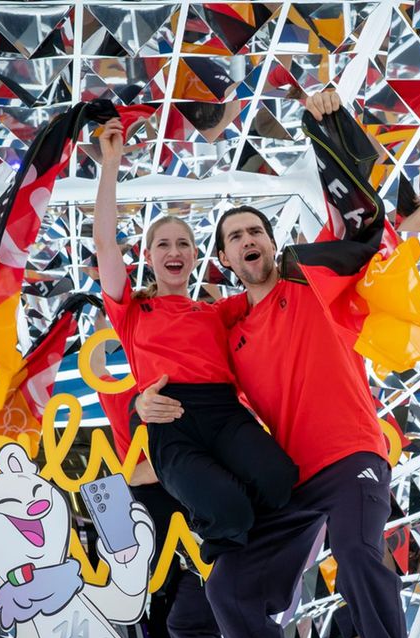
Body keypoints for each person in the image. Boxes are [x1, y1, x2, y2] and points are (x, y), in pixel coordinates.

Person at [136, 89, 420, 638]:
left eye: (256, 232)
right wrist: (139, 408)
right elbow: (171, 363)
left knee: (359, 553)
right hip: (291, 484)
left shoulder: (307, 276)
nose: (249, 242)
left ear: (272, 243)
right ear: (224, 260)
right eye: (236, 238)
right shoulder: (225, 326)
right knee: (226, 592)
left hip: (352, 456)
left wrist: (329, 124)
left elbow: (364, 220)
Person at [91, 116, 298, 561]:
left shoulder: (217, 312)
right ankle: (215, 529)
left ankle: (224, 511)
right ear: (148, 257)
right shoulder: (131, 311)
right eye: (163, 244)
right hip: (170, 423)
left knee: (280, 480)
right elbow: (106, 246)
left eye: (183, 244)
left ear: (196, 256)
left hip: (222, 411)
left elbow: (270, 285)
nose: (174, 251)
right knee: (230, 512)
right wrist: (110, 166)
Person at [86, 326, 262, 638]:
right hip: (162, 567)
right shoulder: (123, 399)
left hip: (210, 536)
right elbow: (120, 476)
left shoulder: (201, 388)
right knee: (182, 626)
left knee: (225, 619)